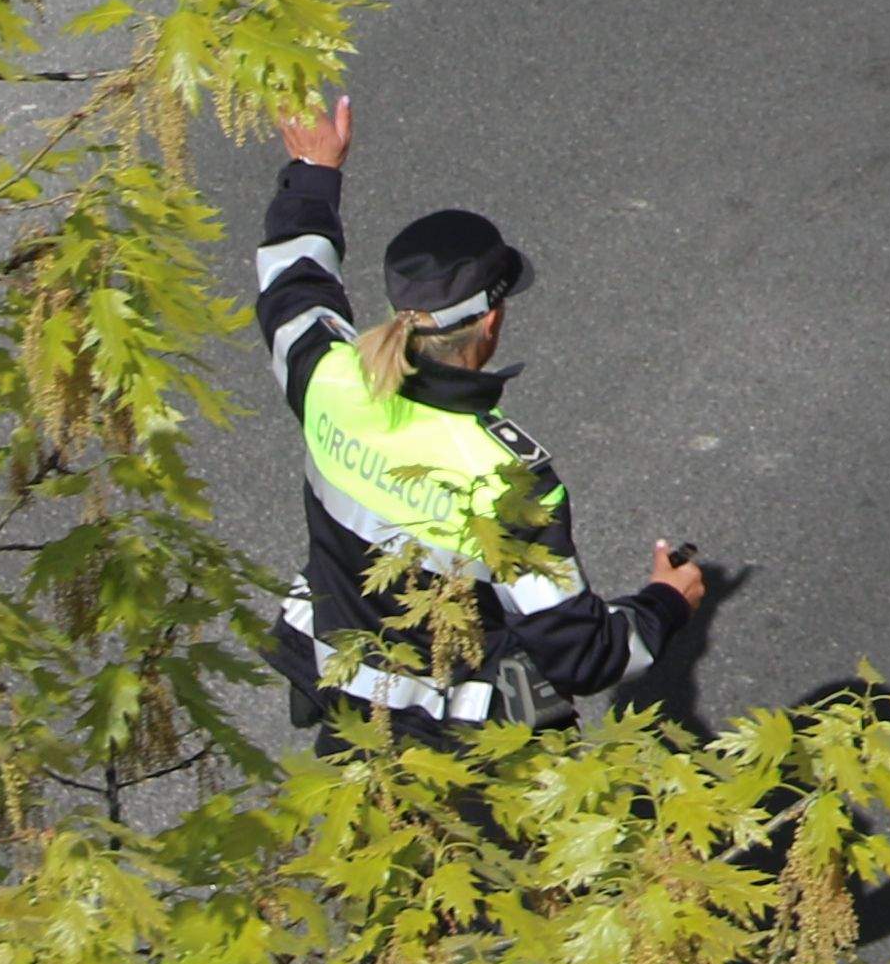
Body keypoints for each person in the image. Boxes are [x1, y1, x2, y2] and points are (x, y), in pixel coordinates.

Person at [256, 93, 697, 740]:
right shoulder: (505, 478)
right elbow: (581, 654)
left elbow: (292, 283)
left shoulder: (330, 375)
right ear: (491, 321)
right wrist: (665, 603)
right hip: (465, 752)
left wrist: (314, 170)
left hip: (346, 705)